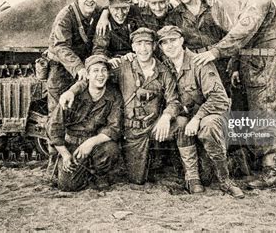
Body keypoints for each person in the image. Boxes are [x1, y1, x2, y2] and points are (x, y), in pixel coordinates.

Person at [60, 28, 204, 194]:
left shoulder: (163, 71)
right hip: (132, 131)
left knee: (181, 123)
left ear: (154, 46)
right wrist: (72, 90)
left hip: (154, 125)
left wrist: (166, 116)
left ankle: (192, 177)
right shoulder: (123, 66)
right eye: (139, 44)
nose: (143, 48)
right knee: (137, 179)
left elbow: (174, 101)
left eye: (148, 44)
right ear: (133, 47)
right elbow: (96, 78)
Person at [193, 0, 276, 189]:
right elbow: (244, 42)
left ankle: (271, 172)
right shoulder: (245, 3)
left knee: (265, 112)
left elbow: (242, 32)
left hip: (263, 65)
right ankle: (258, 166)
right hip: (251, 64)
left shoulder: (258, 0)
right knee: (253, 114)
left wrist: (215, 51)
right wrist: (234, 66)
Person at [158, 25, 244, 198]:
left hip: (210, 117)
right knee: (180, 123)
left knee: (209, 126)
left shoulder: (199, 63)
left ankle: (225, 181)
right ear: (160, 47)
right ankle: (192, 177)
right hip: (187, 123)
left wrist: (197, 118)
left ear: (182, 41)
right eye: (164, 42)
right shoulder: (165, 66)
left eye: (173, 40)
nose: (169, 46)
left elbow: (219, 99)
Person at [45, 0, 104, 175]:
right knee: (57, 113)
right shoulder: (66, 16)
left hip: (84, 68)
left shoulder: (97, 12)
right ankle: (53, 166)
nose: (89, 0)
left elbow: (97, 42)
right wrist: (79, 67)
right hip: (61, 69)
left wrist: (92, 64)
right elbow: (61, 46)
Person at [47, 54, 123, 192]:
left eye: (103, 70)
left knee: (111, 149)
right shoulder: (71, 96)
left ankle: (100, 175)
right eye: (95, 71)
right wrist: (64, 154)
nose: (100, 75)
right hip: (72, 145)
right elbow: (54, 127)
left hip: (96, 145)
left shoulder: (114, 95)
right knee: (68, 186)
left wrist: (91, 142)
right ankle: (78, 170)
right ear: (87, 75)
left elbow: (114, 127)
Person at [92, 0, 140, 66]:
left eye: (124, 8)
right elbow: (98, 50)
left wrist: (135, 54)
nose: (120, 13)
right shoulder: (104, 25)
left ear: (129, 8)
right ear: (110, 9)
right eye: (116, 9)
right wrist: (108, 60)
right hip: (114, 62)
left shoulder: (135, 20)